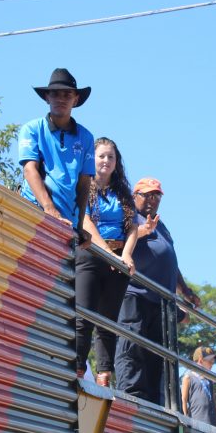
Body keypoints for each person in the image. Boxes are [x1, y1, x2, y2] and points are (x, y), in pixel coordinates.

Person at [114, 177, 201, 404]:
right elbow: (116, 243)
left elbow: (170, 260)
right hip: (135, 293)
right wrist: (142, 230)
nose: (152, 200)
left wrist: (185, 291)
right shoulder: (128, 216)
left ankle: (154, 404)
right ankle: (130, 398)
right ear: (135, 196)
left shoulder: (162, 225)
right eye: (147, 195)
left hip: (162, 301)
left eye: (156, 196)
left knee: (158, 356)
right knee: (132, 348)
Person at [75, 138, 138, 386]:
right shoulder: (85, 185)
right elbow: (85, 221)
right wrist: (107, 254)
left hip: (118, 258)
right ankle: (78, 369)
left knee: (107, 321)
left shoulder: (122, 192)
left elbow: (133, 227)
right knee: (84, 316)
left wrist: (126, 254)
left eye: (111, 157)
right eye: (101, 156)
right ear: (93, 159)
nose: (106, 161)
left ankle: (104, 374)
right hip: (91, 252)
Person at [17, 68, 94, 238]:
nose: (61, 98)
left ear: (76, 99)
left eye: (67, 94)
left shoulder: (86, 137)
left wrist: (80, 226)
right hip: (34, 214)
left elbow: (84, 184)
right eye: (55, 93)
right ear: (47, 97)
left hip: (67, 224)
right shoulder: (32, 129)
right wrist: (49, 209)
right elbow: (29, 170)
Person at [181, 346, 216, 427]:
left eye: (213, 361)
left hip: (212, 423)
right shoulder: (188, 377)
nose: (212, 364)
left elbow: (213, 400)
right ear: (200, 360)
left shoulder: (210, 379)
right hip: (196, 422)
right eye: (210, 361)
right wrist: (185, 420)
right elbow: (184, 400)